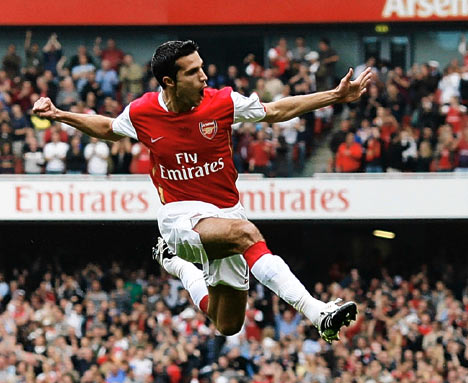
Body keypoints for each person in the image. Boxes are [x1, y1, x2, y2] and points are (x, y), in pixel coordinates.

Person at [33, 40, 371, 343]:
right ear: (169, 81)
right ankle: (318, 312)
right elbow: (109, 128)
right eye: (193, 72)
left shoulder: (222, 102)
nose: (204, 77)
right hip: (179, 216)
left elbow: (277, 110)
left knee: (228, 324)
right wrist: (59, 114)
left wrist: (335, 96)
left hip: (225, 214)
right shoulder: (143, 112)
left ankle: (178, 265)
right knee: (247, 234)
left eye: (202, 68)